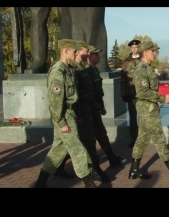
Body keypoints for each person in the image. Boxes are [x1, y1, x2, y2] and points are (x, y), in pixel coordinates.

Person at [34, 39, 96, 188]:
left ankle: (41, 183)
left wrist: (78, 116)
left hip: (71, 113)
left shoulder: (68, 70)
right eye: (74, 51)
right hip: (64, 116)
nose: (76, 53)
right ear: (65, 51)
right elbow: (55, 102)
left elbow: (74, 96)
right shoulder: (58, 72)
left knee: (58, 150)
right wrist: (62, 123)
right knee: (78, 149)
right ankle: (90, 184)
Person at [129, 40, 169, 180]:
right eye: (153, 51)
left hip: (149, 107)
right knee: (159, 138)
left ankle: (134, 170)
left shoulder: (148, 68)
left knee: (142, 139)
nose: (155, 53)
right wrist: (164, 98)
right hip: (148, 109)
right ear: (145, 52)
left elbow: (153, 88)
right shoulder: (141, 70)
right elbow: (143, 92)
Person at [68, 40, 111, 182]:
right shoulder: (74, 69)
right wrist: (79, 114)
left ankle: (52, 171)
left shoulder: (83, 69)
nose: (88, 53)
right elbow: (75, 95)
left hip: (89, 109)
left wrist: (99, 106)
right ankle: (94, 170)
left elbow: (94, 91)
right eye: (86, 51)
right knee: (88, 141)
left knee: (83, 141)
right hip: (82, 111)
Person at [86, 45, 127, 168]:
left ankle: (111, 158)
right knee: (82, 140)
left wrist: (102, 106)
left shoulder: (95, 70)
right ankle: (58, 167)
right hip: (88, 110)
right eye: (96, 55)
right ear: (89, 56)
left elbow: (98, 92)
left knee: (101, 134)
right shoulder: (85, 72)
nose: (99, 57)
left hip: (95, 108)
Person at [121, 39, 141, 148]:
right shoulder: (126, 61)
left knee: (143, 117)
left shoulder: (143, 60)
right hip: (131, 93)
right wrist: (123, 92)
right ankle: (134, 139)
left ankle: (143, 139)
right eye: (132, 48)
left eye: (136, 47)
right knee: (133, 117)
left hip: (142, 93)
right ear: (130, 49)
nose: (134, 49)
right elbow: (123, 78)